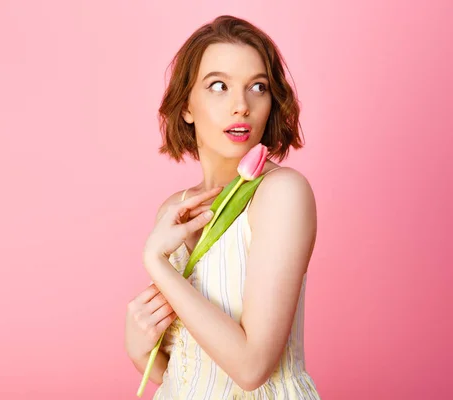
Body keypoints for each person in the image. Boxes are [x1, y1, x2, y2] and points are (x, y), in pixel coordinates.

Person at [124, 15, 321, 399]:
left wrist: (157, 264)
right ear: (186, 106)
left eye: (257, 87)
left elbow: (251, 368)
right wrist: (139, 351)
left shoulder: (282, 194)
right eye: (218, 86)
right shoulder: (174, 210)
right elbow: (191, 374)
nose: (241, 106)